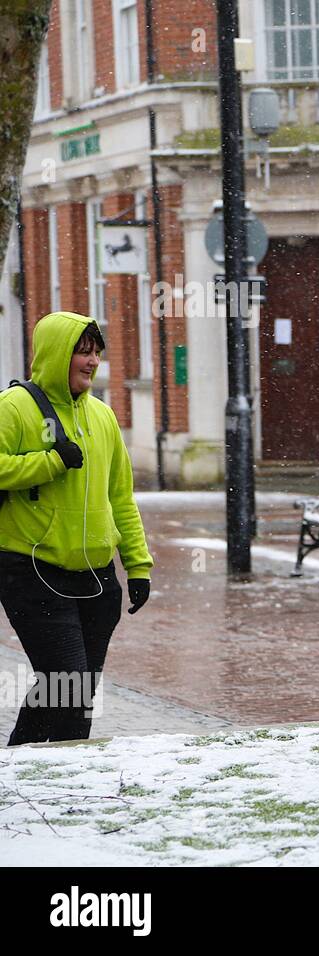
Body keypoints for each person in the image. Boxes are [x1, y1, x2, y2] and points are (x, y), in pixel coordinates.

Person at [0, 312, 153, 746]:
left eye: (95, 352)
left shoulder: (102, 417)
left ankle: (20, 765)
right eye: (81, 352)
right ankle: (71, 777)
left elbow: (120, 497)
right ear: (55, 354)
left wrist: (137, 566)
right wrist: (49, 462)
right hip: (33, 570)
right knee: (71, 687)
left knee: (67, 688)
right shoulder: (14, 408)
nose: (92, 361)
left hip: (96, 577)